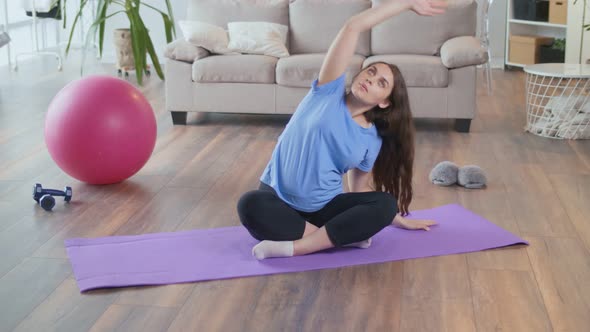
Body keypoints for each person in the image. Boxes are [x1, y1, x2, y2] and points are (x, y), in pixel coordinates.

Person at [237, 0, 448, 260]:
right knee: (249, 205)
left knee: (385, 204)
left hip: (324, 208)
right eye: (370, 72)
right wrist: (405, 3)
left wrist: (393, 219)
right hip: (276, 198)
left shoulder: (372, 138)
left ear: (384, 101)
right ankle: (337, 238)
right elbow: (353, 26)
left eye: (381, 83)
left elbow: (358, 191)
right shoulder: (327, 92)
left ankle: (296, 247)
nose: (371, 79)